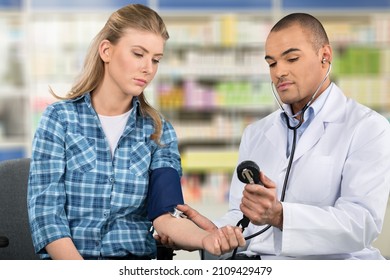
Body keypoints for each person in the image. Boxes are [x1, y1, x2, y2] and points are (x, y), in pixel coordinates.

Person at [27, 3, 245, 260]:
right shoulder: (59, 119)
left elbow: (166, 215)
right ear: (106, 51)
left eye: (155, 60)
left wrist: (206, 238)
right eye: (138, 54)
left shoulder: (159, 131)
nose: (148, 68)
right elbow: (46, 214)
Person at [164, 13, 390, 260]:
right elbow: (244, 216)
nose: (279, 71)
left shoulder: (368, 127)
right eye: (271, 63)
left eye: (291, 58)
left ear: (325, 55)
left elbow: (360, 224)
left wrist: (281, 215)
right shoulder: (256, 133)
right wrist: (212, 232)